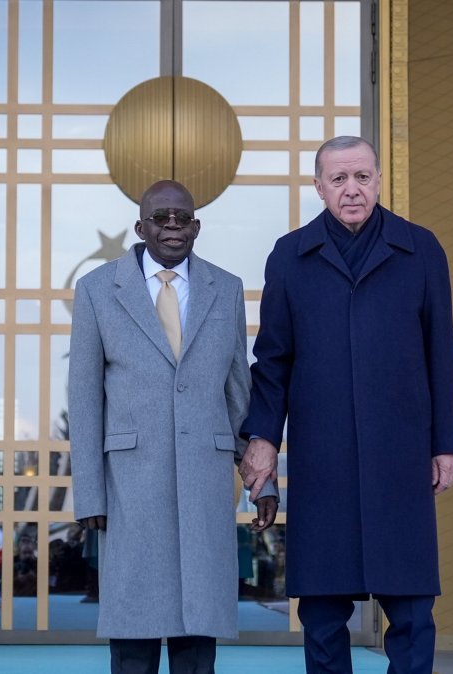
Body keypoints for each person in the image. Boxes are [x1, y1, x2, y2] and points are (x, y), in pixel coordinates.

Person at [239, 136, 453, 674]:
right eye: (338, 179)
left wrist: (446, 444)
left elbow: (442, 352)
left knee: (411, 608)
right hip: (325, 455)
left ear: (380, 180)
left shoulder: (421, 248)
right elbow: (273, 359)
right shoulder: (290, 255)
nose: (352, 189)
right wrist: (263, 440)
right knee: (322, 609)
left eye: (362, 177)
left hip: (401, 452)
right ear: (318, 188)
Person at [69, 180, 279, 674]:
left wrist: (262, 481)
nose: (171, 226)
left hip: (204, 485)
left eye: (181, 218)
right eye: (160, 218)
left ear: (197, 227)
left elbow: (238, 393)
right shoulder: (98, 289)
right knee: (134, 636)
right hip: (130, 489)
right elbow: (83, 399)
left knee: (197, 637)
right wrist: (89, 495)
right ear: (140, 226)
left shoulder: (224, 288)